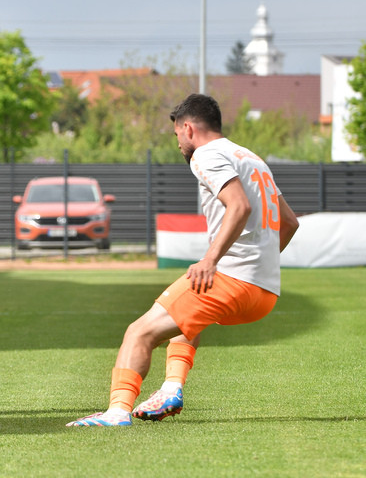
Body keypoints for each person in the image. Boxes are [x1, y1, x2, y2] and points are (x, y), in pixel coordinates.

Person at [67, 93, 300, 427]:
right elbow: (289, 223)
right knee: (186, 318)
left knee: (138, 333)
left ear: (189, 128)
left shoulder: (206, 154)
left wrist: (211, 259)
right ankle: (170, 388)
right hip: (264, 293)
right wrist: (258, 265)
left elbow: (239, 206)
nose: (178, 142)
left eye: (177, 134)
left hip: (233, 279)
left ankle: (116, 412)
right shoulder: (251, 158)